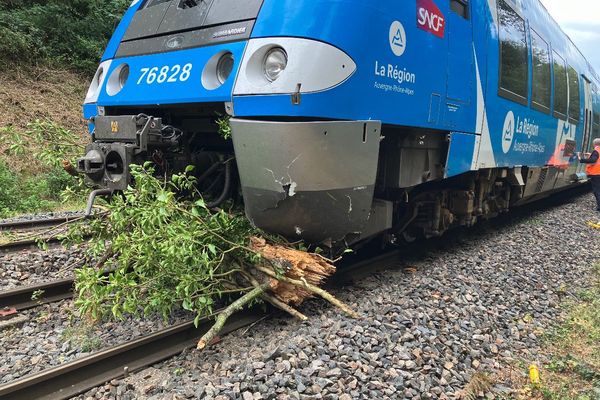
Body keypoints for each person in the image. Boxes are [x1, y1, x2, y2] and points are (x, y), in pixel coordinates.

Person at [578, 138, 600, 211]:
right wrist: (591, 155)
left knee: (597, 190)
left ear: (594, 144)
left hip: (596, 173)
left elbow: (593, 160)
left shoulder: (596, 150)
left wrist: (581, 159)